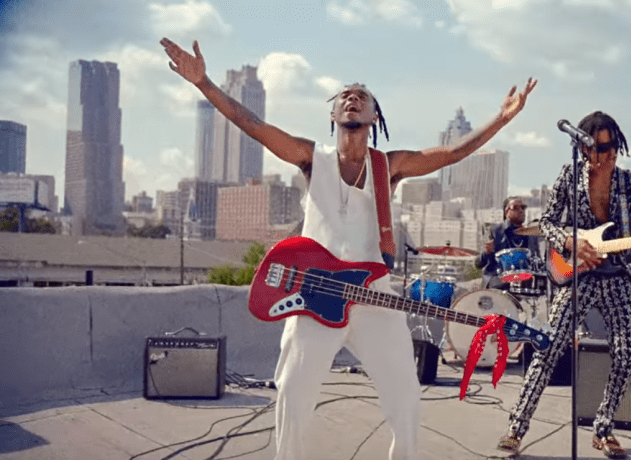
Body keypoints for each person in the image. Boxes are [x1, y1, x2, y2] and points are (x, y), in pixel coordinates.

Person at [160, 38, 536, 460]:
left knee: (405, 394)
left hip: (373, 297)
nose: (352, 99)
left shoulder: (387, 166)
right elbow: (253, 125)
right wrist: (204, 83)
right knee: (293, 392)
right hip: (316, 298)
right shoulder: (312, 158)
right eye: (344, 96)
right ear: (333, 114)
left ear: (374, 116)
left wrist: (502, 118)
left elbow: (452, 152)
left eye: (362, 97)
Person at [498, 111, 631, 459]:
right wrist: (571, 242)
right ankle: (515, 428)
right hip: (578, 275)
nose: (608, 154)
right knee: (548, 348)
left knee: (626, 354)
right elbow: (547, 222)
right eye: (600, 147)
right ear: (584, 148)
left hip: (619, 277)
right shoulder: (569, 176)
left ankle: (604, 427)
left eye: (612, 147)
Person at [474, 196, 541, 290]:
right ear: (506, 212)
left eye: (523, 207)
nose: (521, 210)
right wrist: (486, 252)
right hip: (497, 281)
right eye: (516, 207)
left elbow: (537, 262)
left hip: (524, 283)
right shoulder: (494, 230)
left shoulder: (531, 234)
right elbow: (478, 264)